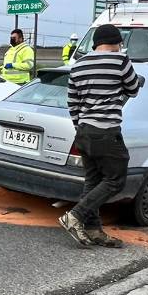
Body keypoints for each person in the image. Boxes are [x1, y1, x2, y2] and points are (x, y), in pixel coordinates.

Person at [59, 24, 140, 248]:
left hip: (84, 131)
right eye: (120, 44)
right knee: (116, 180)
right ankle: (75, 216)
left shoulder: (78, 65)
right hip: (107, 131)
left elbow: (72, 103)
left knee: (93, 181)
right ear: (116, 42)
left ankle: (94, 230)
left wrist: (81, 127)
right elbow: (133, 89)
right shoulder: (121, 61)